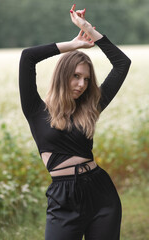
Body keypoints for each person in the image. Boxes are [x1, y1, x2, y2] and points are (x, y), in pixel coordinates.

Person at [19, 4, 131, 240]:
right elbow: (27, 57)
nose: (82, 84)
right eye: (76, 76)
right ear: (63, 75)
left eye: (86, 79)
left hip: (101, 193)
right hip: (63, 198)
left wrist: (89, 29)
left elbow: (122, 63)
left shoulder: (91, 108)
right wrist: (73, 45)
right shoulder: (35, 109)